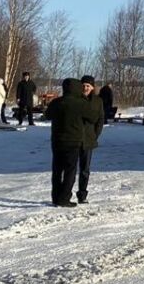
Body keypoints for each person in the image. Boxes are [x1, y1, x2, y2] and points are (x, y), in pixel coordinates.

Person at [44, 78, 88, 207]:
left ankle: (56, 197)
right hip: (73, 140)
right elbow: (92, 116)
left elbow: (47, 115)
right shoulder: (80, 103)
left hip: (57, 140)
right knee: (70, 170)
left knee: (57, 170)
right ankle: (64, 198)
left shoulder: (57, 102)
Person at [77, 75, 104, 204]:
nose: (85, 88)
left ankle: (82, 195)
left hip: (88, 139)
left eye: (88, 86)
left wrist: (95, 134)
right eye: (83, 85)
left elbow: (100, 120)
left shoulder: (98, 101)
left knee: (85, 169)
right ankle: (64, 194)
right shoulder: (76, 99)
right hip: (74, 138)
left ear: (92, 87)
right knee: (69, 169)